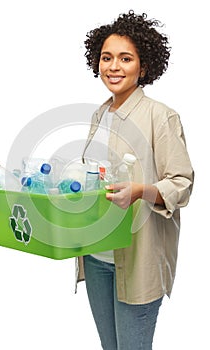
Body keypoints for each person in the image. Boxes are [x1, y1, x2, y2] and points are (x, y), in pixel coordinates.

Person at [76, 10, 194, 350]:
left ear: (143, 67)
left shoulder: (161, 116)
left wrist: (141, 191)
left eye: (125, 58)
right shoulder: (100, 115)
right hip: (97, 256)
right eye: (106, 58)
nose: (114, 67)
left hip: (138, 260)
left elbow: (182, 183)